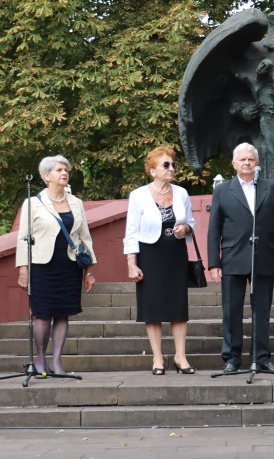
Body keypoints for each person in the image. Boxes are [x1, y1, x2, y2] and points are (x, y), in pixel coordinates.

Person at [207, 143, 274, 374]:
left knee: (262, 310)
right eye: (242, 159)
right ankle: (232, 359)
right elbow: (214, 229)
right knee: (231, 311)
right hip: (232, 258)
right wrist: (214, 262)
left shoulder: (270, 188)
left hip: (263, 257)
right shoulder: (223, 190)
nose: (246, 163)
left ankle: (261, 358)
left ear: (257, 163)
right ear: (233, 164)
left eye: (250, 160)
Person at [16, 155, 97, 374]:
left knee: (63, 313)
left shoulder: (76, 203)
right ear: (46, 176)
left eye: (66, 170)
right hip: (42, 266)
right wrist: (23, 270)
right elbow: (24, 237)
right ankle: (40, 360)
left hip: (70, 266)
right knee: (43, 314)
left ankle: (57, 361)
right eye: (59, 170)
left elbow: (85, 237)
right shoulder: (33, 203)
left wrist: (89, 271)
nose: (64, 173)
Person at [124, 146, 198, 375]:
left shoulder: (182, 193)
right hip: (149, 254)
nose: (172, 168)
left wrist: (185, 228)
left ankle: (180, 356)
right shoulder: (138, 195)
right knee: (152, 307)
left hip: (175, 253)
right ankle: (157, 358)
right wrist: (131, 262)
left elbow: (191, 225)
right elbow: (132, 231)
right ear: (152, 170)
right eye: (166, 165)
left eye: (173, 164)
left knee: (178, 307)